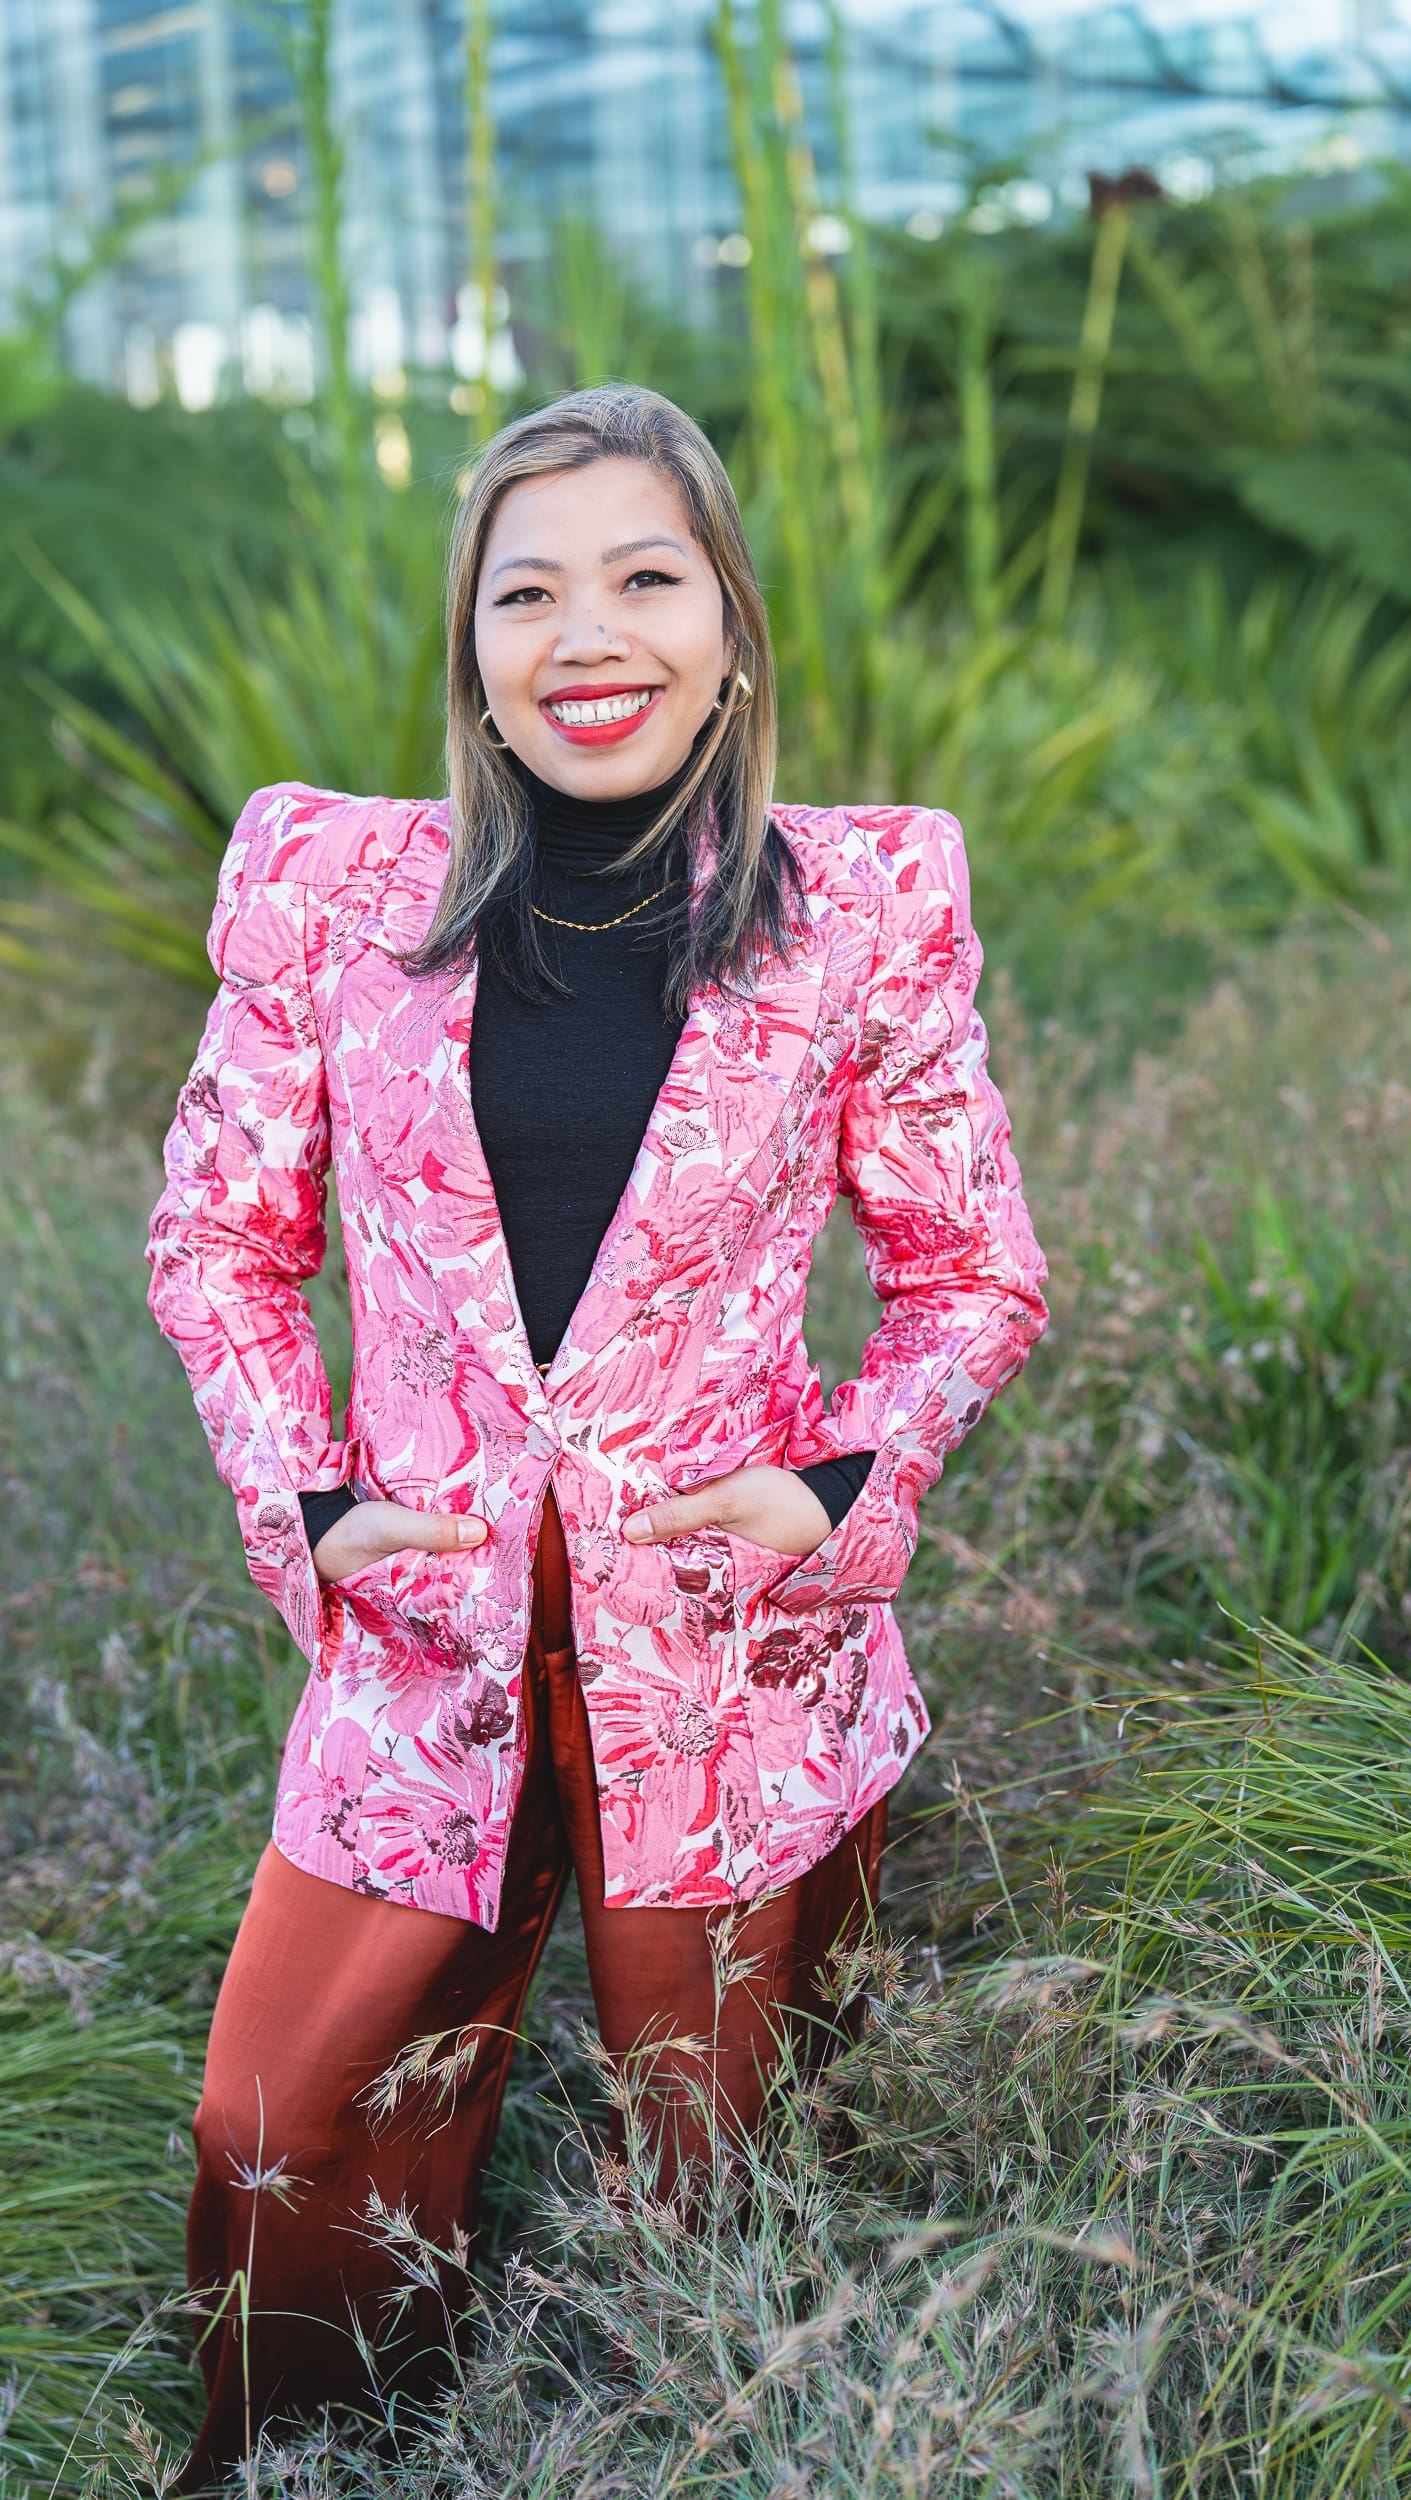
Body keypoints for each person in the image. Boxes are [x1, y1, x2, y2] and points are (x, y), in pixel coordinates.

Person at [145, 382, 1048, 2486]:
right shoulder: (325, 889)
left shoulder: (864, 906)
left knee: (714, 2162)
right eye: (527, 588)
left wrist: (846, 1476)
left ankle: (680, 2438)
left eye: (645, 574)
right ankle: (318, 2450)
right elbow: (220, 1240)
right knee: (278, 2123)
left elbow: (970, 1271)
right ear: (470, 644)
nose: (588, 632)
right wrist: (310, 1491)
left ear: (728, 619)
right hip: (423, 1631)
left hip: (736, 1650)